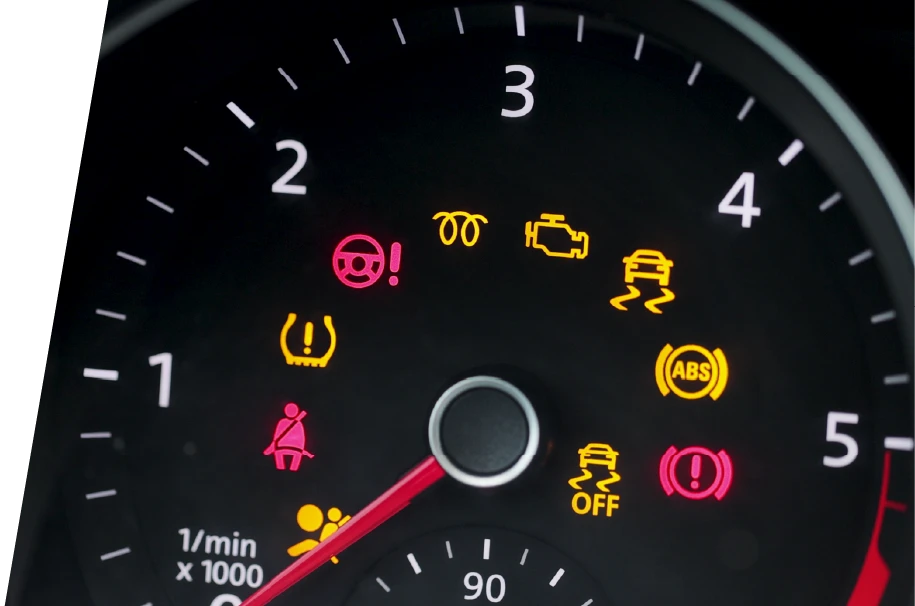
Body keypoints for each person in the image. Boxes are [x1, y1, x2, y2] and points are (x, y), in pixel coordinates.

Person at [263, 403, 314, 470]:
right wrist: (302, 449)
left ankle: (282, 469)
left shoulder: (282, 422)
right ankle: (292, 469)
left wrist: (273, 446)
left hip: (280, 447)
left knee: (279, 456)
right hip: (296, 448)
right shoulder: (299, 424)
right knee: (296, 457)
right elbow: (302, 439)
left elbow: (276, 437)